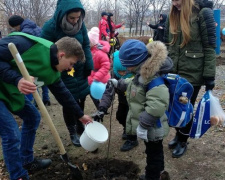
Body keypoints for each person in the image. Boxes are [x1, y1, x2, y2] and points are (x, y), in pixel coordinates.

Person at [0, 32, 93, 180]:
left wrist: (80, 115)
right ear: (61, 55)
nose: (70, 69)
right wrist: (16, 79)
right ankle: (19, 176)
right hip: (5, 86)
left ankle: (26, 160)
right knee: (11, 134)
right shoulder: (25, 45)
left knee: (32, 117)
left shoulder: (54, 71)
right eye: (71, 64)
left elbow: (64, 95)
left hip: (8, 89)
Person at [110, 39, 172, 180]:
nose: (126, 70)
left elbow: (156, 105)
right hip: (151, 125)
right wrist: (119, 83)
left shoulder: (152, 77)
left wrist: (143, 126)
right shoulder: (143, 71)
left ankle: (153, 176)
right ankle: (157, 174)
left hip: (153, 126)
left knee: (154, 154)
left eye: (128, 66)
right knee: (152, 152)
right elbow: (135, 84)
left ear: (135, 62)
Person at [164, 0, 216, 158]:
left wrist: (209, 75)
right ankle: (178, 134)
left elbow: (209, 46)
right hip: (174, 72)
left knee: (187, 107)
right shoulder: (171, 16)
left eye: (177, 0)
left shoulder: (202, 14)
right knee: (175, 106)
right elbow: (168, 45)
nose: (175, 3)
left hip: (193, 73)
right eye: (172, 1)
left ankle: (183, 140)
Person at [41, 0, 94, 147]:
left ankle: (79, 124)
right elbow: (45, 50)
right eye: (72, 18)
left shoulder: (80, 25)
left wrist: (88, 63)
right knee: (69, 100)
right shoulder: (50, 27)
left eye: (78, 18)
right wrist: (56, 65)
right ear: (63, 14)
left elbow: (86, 44)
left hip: (80, 67)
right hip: (63, 70)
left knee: (82, 96)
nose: (75, 21)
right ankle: (72, 131)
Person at [8, 15, 51, 106]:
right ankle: (46, 99)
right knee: (43, 79)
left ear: (17, 25)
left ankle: (38, 102)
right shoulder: (35, 27)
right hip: (44, 57)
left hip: (35, 59)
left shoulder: (26, 32)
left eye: (15, 27)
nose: (15, 29)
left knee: (34, 80)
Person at [92, 50, 133, 143]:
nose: (123, 74)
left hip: (135, 102)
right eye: (120, 72)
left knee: (132, 119)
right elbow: (108, 92)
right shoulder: (114, 76)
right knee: (120, 116)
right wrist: (102, 108)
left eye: (125, 71)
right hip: (123, 100)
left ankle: (132, 138)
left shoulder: (136, 75)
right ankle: (126, 129)